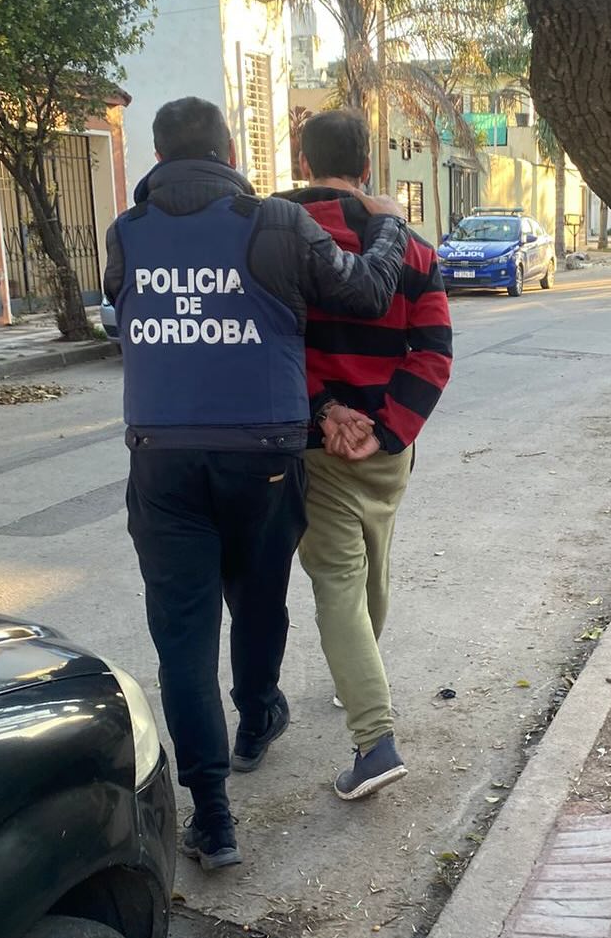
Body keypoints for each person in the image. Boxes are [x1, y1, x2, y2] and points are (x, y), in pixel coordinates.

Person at [104, 97, 408, 870]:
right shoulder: (275, 223)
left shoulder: (127, 232)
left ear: (158, 156)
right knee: (259, 598)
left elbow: (124, 308)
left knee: (183, 638)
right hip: (264, 455)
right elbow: (368, 291)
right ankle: (256, 716)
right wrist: (391, 226)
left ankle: (213, 819)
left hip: (162, 459)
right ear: (232, 152)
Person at [278, 110, 452, 800]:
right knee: (374, 561)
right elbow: (433, 352)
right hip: (387, 447)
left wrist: (325, 410)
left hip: (316, 443)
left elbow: (272, 345)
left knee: (338, 583)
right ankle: (359, 675)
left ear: (302, 161)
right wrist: (384, 429)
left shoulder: (276, 237)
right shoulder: (412, 248)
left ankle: (375, 741)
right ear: (368, 167)